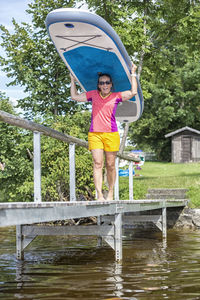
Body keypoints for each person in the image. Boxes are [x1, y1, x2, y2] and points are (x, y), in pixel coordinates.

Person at [70, 63, 137, 201]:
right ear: (99, 85)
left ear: (111, 84)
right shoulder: (93, 95)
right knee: (97, 163)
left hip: (111, 134)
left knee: (110, 164)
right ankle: (100, 194)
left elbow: (133, 92)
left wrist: (133, 73)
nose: (105, 85)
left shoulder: (116, 96)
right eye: (102, 83)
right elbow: (74, 96)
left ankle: (111, 192)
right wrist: (72, 80)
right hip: (95, 134)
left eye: (107, 82)